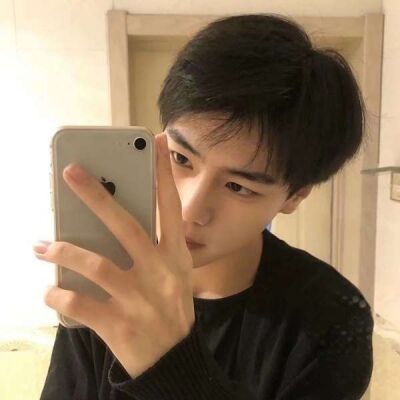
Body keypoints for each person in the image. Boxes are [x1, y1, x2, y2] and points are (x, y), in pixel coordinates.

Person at [39, 14, 373, 400]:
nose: (190, 209)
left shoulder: (332, 320)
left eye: (238, 186)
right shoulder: (112, 277)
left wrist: (171, 365)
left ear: (295, 195)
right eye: (180, 159)